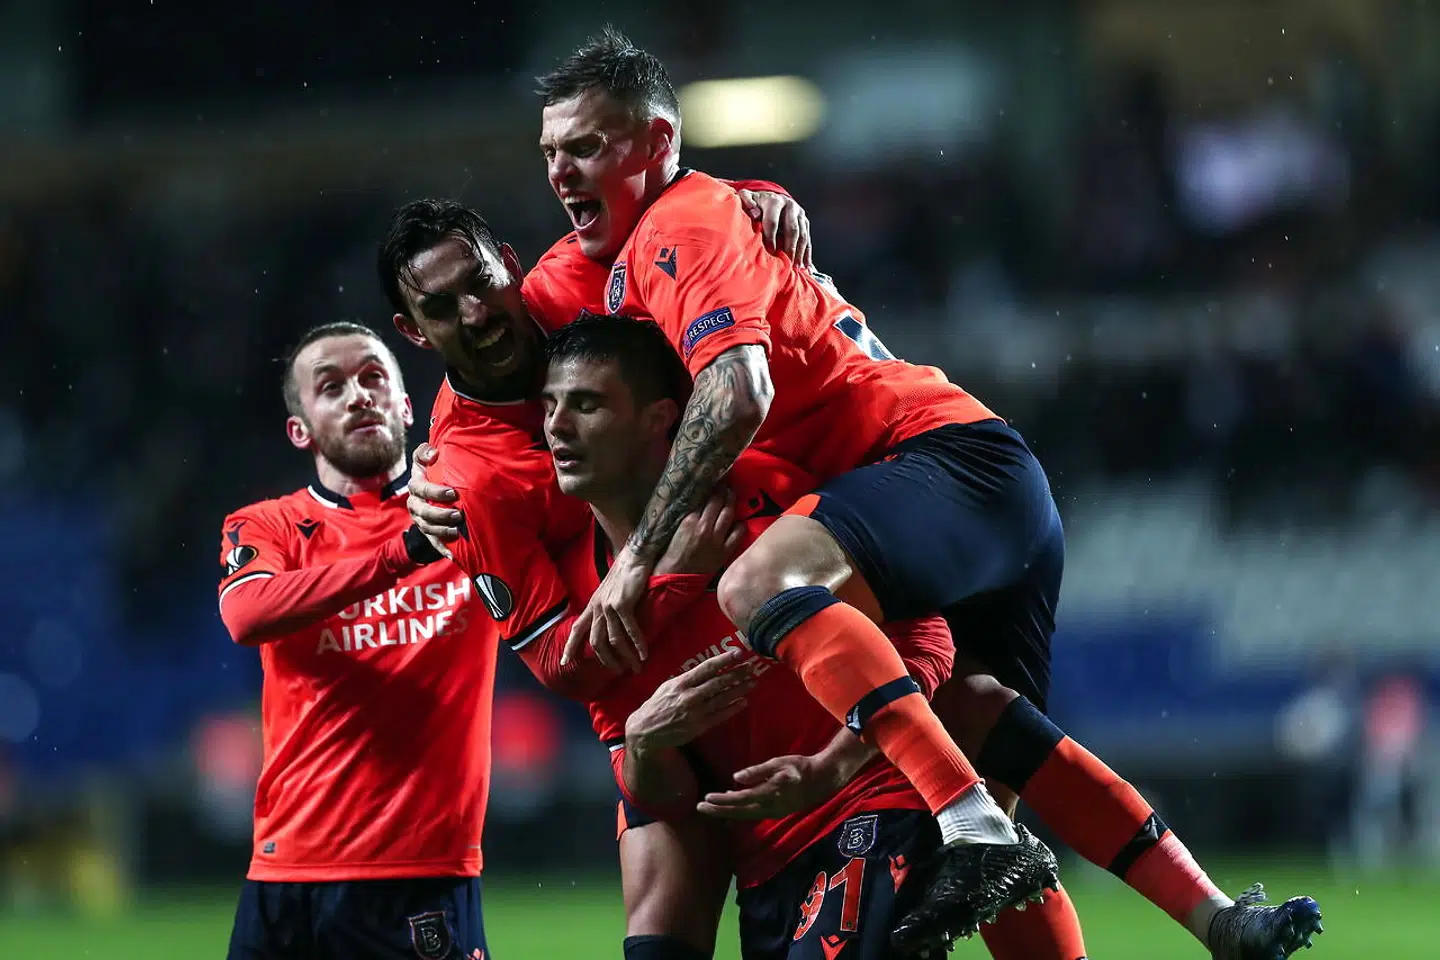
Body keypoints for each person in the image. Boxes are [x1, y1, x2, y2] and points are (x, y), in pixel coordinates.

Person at [529, 27, 1324, 958]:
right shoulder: (669, 240)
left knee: (758, 586)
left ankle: (972, 821)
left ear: (659, 144)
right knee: (981, 742)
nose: (560, 172)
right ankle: (1216, 918)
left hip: (942, 460)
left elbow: (739, 388)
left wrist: (636, 563)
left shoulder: (678, 226)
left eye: (585, 147)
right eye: (549, 152)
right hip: (987, 493)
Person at [430, 313, 967, 959]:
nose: (558, 427)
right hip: (761, 852)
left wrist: (833, 766)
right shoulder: (579, 587)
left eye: (588, 405)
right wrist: (646, 745)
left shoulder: (767, 497)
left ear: (660, 419)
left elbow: (929, 636)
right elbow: (666, 796)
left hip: (870, 796)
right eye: (550, 406)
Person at [379, 192, 820, 960]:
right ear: (415, 333)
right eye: (445, 308)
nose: (478, 313)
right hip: (654, 720)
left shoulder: (582, 282)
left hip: (772, 664)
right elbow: (560, 664)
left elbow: (685, 215)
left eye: (481, 282)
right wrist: (674, 570)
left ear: (509, 264)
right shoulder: (466, 483)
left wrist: (760, 202)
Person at [217, 322, 489, 960]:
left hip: (421, 870)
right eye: (331, 387)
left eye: (373, 378)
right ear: (300, 429)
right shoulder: (268, 525)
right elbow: (246, 614)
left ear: (405, 404)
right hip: (286, 872)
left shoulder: (465, 513)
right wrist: (402, 553)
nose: (357, 395)